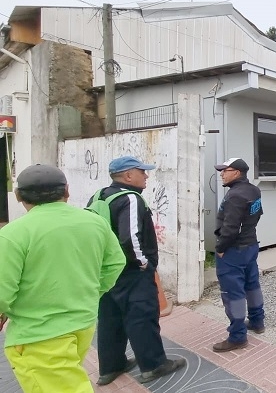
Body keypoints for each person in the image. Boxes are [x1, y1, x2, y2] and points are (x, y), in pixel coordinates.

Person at [0, 164, 126, 392]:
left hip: (39, 334)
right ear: (66, 191)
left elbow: (2, 293)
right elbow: (116, 263)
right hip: (83, 324)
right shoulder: (95, 222)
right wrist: (90, 293)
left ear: (18, 196)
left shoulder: (13, 234)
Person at [87, 156, 185, 385]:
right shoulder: (130, 198)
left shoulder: (99, 195)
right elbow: (130, 238)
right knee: (141, 316)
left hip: (107, 271)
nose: (147, 175)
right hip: (131, 272)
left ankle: (110, 366)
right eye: (142, 172)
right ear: (128, 175)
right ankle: (154, 365)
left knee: (110, 318)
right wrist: (144, 264)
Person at [212, 157, 265, 352]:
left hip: (234, 250)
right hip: (250, 246)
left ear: (237, 172)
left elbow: (231, 227)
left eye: (225, 170)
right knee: (252, 285)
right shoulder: (253, 190)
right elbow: (257, 214)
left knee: (232, 293)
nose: (222, 174)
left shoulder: (235, 195)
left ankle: (237, 337)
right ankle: (258, 321)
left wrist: (220, 248)